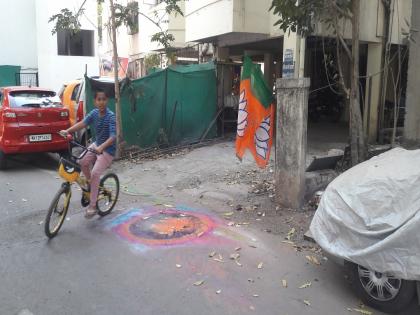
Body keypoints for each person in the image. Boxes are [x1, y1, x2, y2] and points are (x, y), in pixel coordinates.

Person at [60, 89, 116, 218]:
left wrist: (101, 147)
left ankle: (93, 205)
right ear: (94, 101)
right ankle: (91, 183)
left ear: (106, 101)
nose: (101, 102)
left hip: (108, 150)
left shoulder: (111, 116)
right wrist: (67, 131)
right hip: (96, 145)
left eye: (103, 99)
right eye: (98, 99)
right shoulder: (94, 113)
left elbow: (113, 136)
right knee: (82, 162)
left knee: (96, 173)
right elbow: (83, 123)